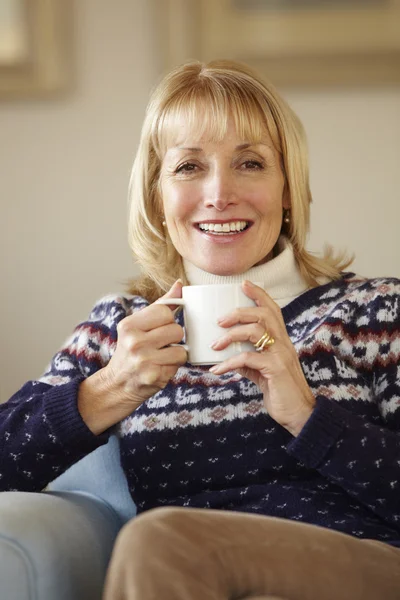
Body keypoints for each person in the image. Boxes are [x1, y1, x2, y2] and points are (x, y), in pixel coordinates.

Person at [2, 59, 400, 600]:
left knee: (161, 541)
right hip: (181, 575)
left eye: (251, 164)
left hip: (355, 566)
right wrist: (112, 388)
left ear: (287, 189)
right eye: (189, 168)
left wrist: (308, 415)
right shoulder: (122, 328)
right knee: (164, 543)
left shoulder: (372, 310)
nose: (219, 193)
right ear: (157, 195)